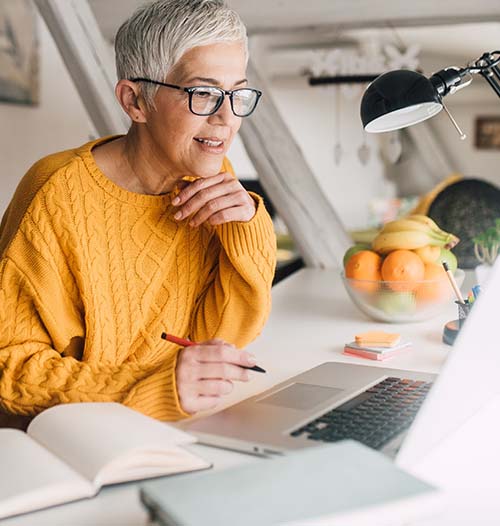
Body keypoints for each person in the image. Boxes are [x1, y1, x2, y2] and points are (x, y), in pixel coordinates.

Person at [0, 0, 276, 421]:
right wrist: (144, 389)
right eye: (203, 93)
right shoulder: (55, 192)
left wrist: (246, 229)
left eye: (237, 93)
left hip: (168, 426)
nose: (226, 118)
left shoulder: (207, 176)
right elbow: (10, 368)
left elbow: (219, 341)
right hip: (61, 443)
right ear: (135, 102)